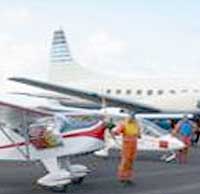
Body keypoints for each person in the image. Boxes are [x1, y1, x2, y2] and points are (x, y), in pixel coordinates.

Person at [113, 113, 141, 184]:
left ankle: (128, 177)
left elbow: (139, 135)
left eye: (133, 117)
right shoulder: (124, 124)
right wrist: (113, 131)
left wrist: (138, 134)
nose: (132, 118)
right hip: (126, 145)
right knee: (125, 161)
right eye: (131, 117)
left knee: (131, 161)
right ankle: (122, 177)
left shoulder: (136, 125)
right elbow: (117, 132)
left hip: (134, 145)